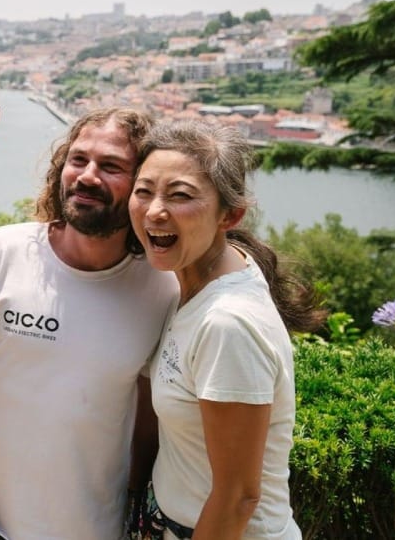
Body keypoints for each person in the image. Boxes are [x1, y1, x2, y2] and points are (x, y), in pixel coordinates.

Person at [0, 107, 180, 540]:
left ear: (142, 188)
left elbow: (149, 414)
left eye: (111, 166)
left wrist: (134, 506)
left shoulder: (161, 289)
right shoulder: (3, 253)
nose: (87, 176)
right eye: (78, 159)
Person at [126, 119, 325, 540]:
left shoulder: (227, 323)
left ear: (229, 214)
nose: (155, 209)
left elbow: (238, 497)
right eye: (144, 191)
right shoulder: (193, 280)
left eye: (180, 195)